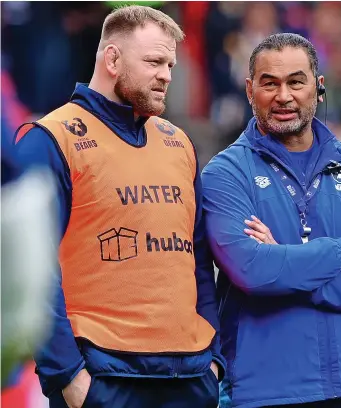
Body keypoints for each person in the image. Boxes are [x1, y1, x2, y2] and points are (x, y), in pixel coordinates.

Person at [14, 5, 224, 408]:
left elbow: (199, 261)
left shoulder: (179, 143)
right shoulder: (51, 139)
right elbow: (34, 268)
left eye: (170, 64)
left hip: (190, 379)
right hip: (104, 379)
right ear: (112, 58)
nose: (166, 74)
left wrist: (212, 362)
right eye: (154, 61)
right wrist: (68, 378)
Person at [202, 33, 341, 408]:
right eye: (270, 83)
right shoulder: (225, 173)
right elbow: (252, 270)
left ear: (318, 87)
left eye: (296, 82)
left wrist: (288, 267)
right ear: (250, 90)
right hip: (268, 391)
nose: (284, 96)